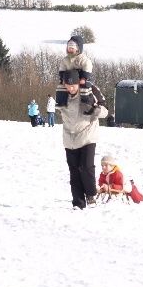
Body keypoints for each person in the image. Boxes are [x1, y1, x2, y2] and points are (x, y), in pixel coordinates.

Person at [56, 69, 108, 210]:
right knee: (74, 171)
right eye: (68, 85)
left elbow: (105, 109)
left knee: (86, 167)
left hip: (87, 135)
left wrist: (97, 110)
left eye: (74, 85)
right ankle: (78, 202)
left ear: (79, 83)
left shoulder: (89, 91)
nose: (71, 88)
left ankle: (91, 194)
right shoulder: (61, 94)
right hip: (70, 138)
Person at [55, 35, 105, 111]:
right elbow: (62, 69)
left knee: (84, 88)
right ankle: (61, 102)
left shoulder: (83, 59)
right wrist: (63, 78)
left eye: (72, 48)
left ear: (78, 49)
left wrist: (84, 78)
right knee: (61, 87)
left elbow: (87, 67)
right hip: (69, 79)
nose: (70, 50)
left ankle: (86, 103)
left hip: (82, 78)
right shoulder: (65, 60)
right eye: (69, 48)